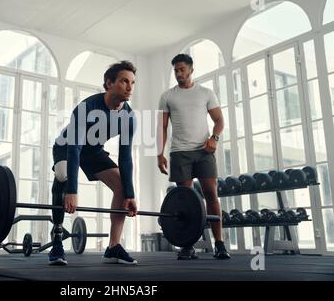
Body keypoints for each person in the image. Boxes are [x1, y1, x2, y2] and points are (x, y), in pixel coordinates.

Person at [49, 61, 138, 265]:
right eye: (124, 81)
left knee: (123, 188)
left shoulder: (129, 117)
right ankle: (57, 240)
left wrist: (131, 195)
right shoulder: (86, 107)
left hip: (93, 152)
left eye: (133, 82)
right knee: (63, 175)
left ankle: (113, 247)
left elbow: (125, 158)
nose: (130, 87)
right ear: (109, 83)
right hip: (67, 147)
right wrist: (72, 190)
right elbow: (74, 149)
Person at [156, 54, 231, 260]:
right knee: (185, 200)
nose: (179, 73)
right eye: (176, 70)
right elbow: (162, 127)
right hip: (179, 152)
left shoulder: (205, 93)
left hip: (204, 151)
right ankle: (187, 245)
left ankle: (219, 243)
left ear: (191, 69)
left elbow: (219, 120)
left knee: (210, 193)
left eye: (182, 69)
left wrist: (214, 138)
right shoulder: (167, 96)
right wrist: (159, 153)